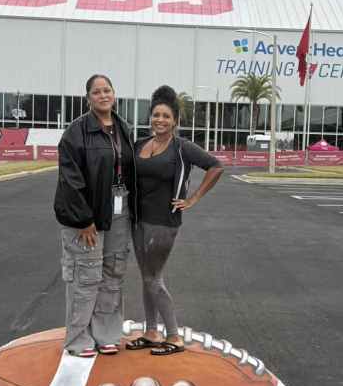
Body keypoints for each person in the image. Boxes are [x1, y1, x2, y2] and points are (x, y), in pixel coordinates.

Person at [127, 85, 223, 356]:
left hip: (163, 223)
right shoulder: (139, 145)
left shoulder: (182, 148)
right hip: (138, 221)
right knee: (146, 278)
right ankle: (151, 331)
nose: (160, 120)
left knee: (154, 279)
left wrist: (193, 199)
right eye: (156, 115)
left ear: (175, 121)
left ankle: (173, 336)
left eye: (166, 116)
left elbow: (215, 166)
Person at [53, 75, 135, 357]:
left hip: (119, 211)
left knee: (113, 273)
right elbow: (70, 180)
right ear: (88, 99)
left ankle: (106, 335)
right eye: (96, 92)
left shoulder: (124, 128)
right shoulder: (76, 132)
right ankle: (78, 340)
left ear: (114, 94)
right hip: (87, 217)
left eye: (107, 90)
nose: (103, 95)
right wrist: (83, 219)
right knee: (85, 276)